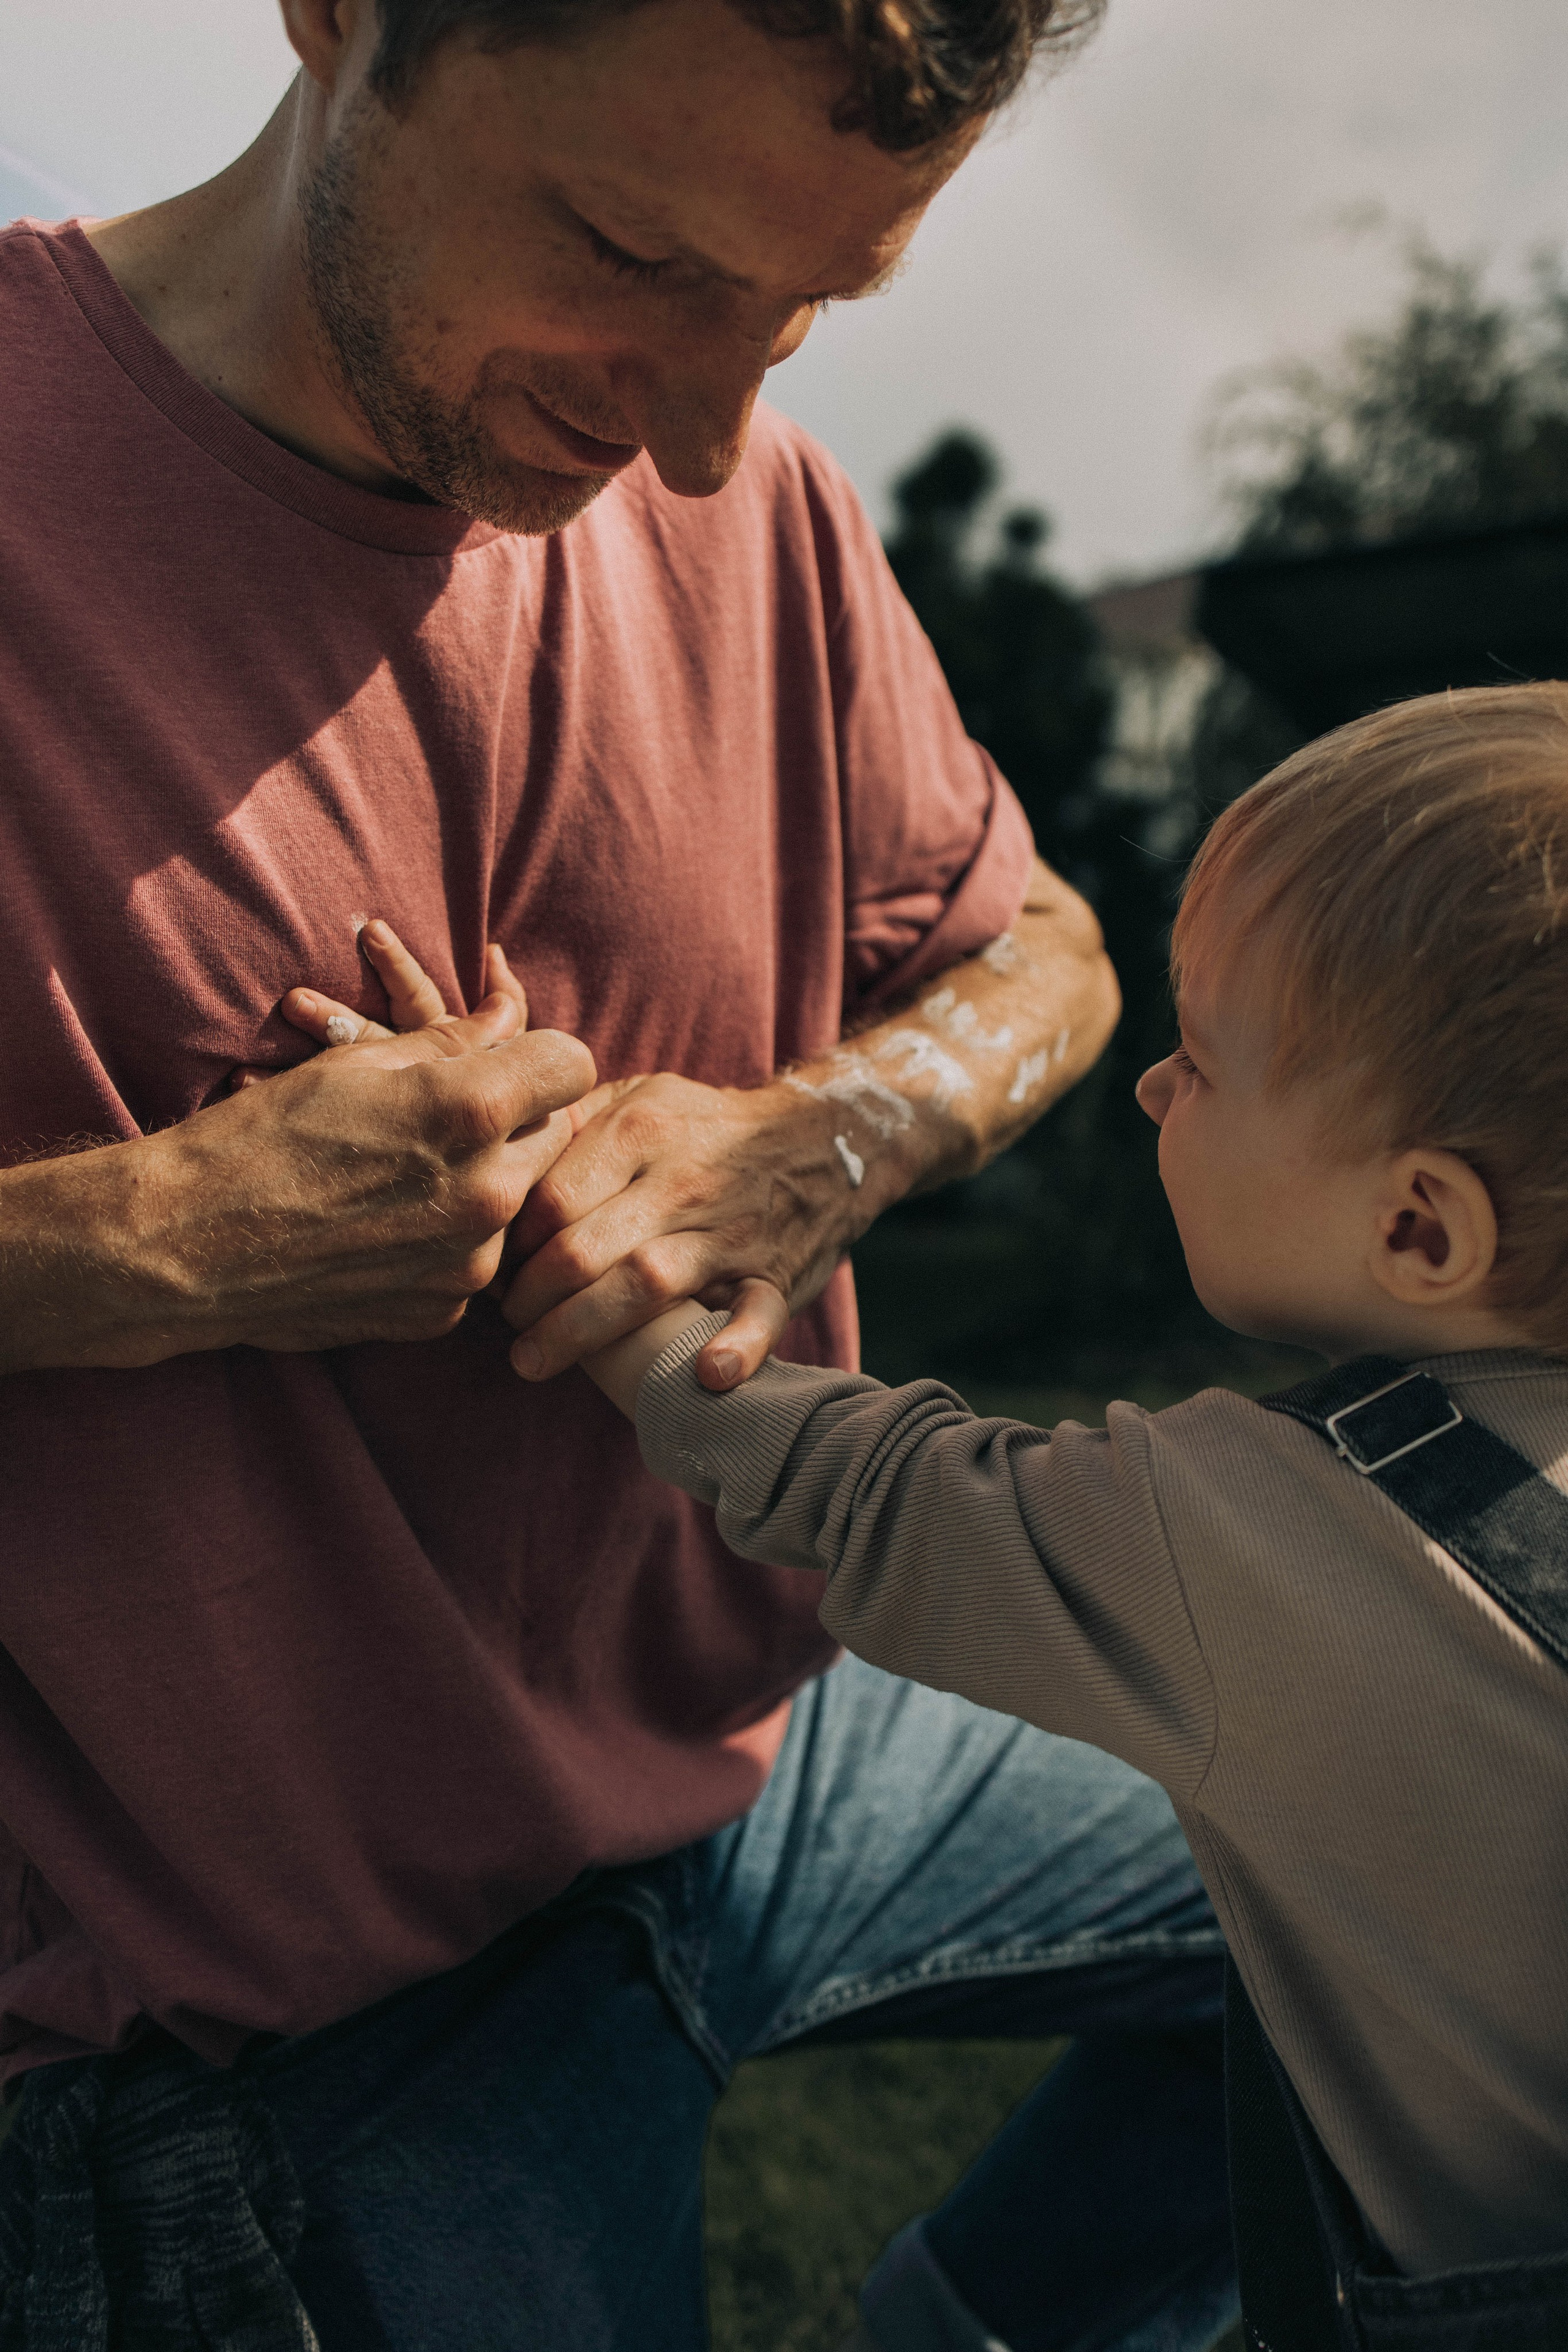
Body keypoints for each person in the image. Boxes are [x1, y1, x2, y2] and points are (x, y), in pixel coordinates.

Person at [0, 2, 1240, 2348]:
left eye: (796, 316)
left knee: (1439, 1882)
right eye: (628, 251)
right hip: (280, 2028)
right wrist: (149, 1236)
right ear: (341, 17)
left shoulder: (756, 499)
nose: (694, 435)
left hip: (770, 1751)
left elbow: (1052, 951)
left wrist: (819, 1138)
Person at [584, 682, 1568, 2334]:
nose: (1152, 1094)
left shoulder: (1250, 1536)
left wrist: (632, 1301)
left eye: (1202, 1059)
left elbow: (874, 1487)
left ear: (1418, 1232)